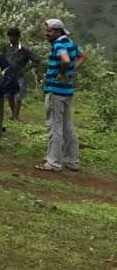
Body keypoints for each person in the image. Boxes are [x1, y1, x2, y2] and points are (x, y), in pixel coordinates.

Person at [35, 19, 86, 172]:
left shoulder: (59, 44)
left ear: (57, 31)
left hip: (55, 91)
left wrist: (63, 72)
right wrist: (71, 72)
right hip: (67, 91)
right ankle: (72, 161)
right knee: (67, 125)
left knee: (54, 126)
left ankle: (53, 162)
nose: (46, 33)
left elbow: (65, 59)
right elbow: (83, 56)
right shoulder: (70, 43)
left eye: (49, 31)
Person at [5, 27, 41, 121]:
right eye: (10, 36)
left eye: (13, 36)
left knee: (18, 97)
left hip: (19, 76)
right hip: (9, 76)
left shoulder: (24, 49)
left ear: (18, 37)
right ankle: (13, 115)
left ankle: (16, 117)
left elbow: (36, 60)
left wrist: (25, 69)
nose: (11, 38)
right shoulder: (8, 48)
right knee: (10, 96)